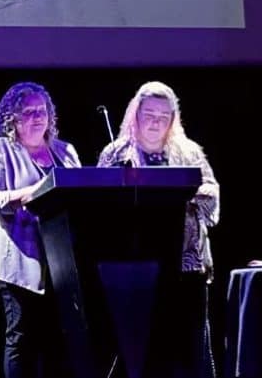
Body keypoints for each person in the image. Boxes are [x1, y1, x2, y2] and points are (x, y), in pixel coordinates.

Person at [97, 81, 220, 378]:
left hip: (186, 266)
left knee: (192, 351)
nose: (155, 122)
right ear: (135, 115)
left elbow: (211, 192)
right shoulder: (116, 153)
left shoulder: (189, 152)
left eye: (163, 117)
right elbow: (97, 201)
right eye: (149, 114)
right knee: (141, 352)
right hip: (134, 270)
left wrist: (175, 191)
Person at [0, 82, 81, 378]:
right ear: (13, 119)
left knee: (61, 341)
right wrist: (33, 192)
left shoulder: (65, 151)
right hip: (21, 261)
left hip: (64, 261)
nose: (37, 117)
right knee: (22, 339)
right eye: (28, 112)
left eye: (42, 111)